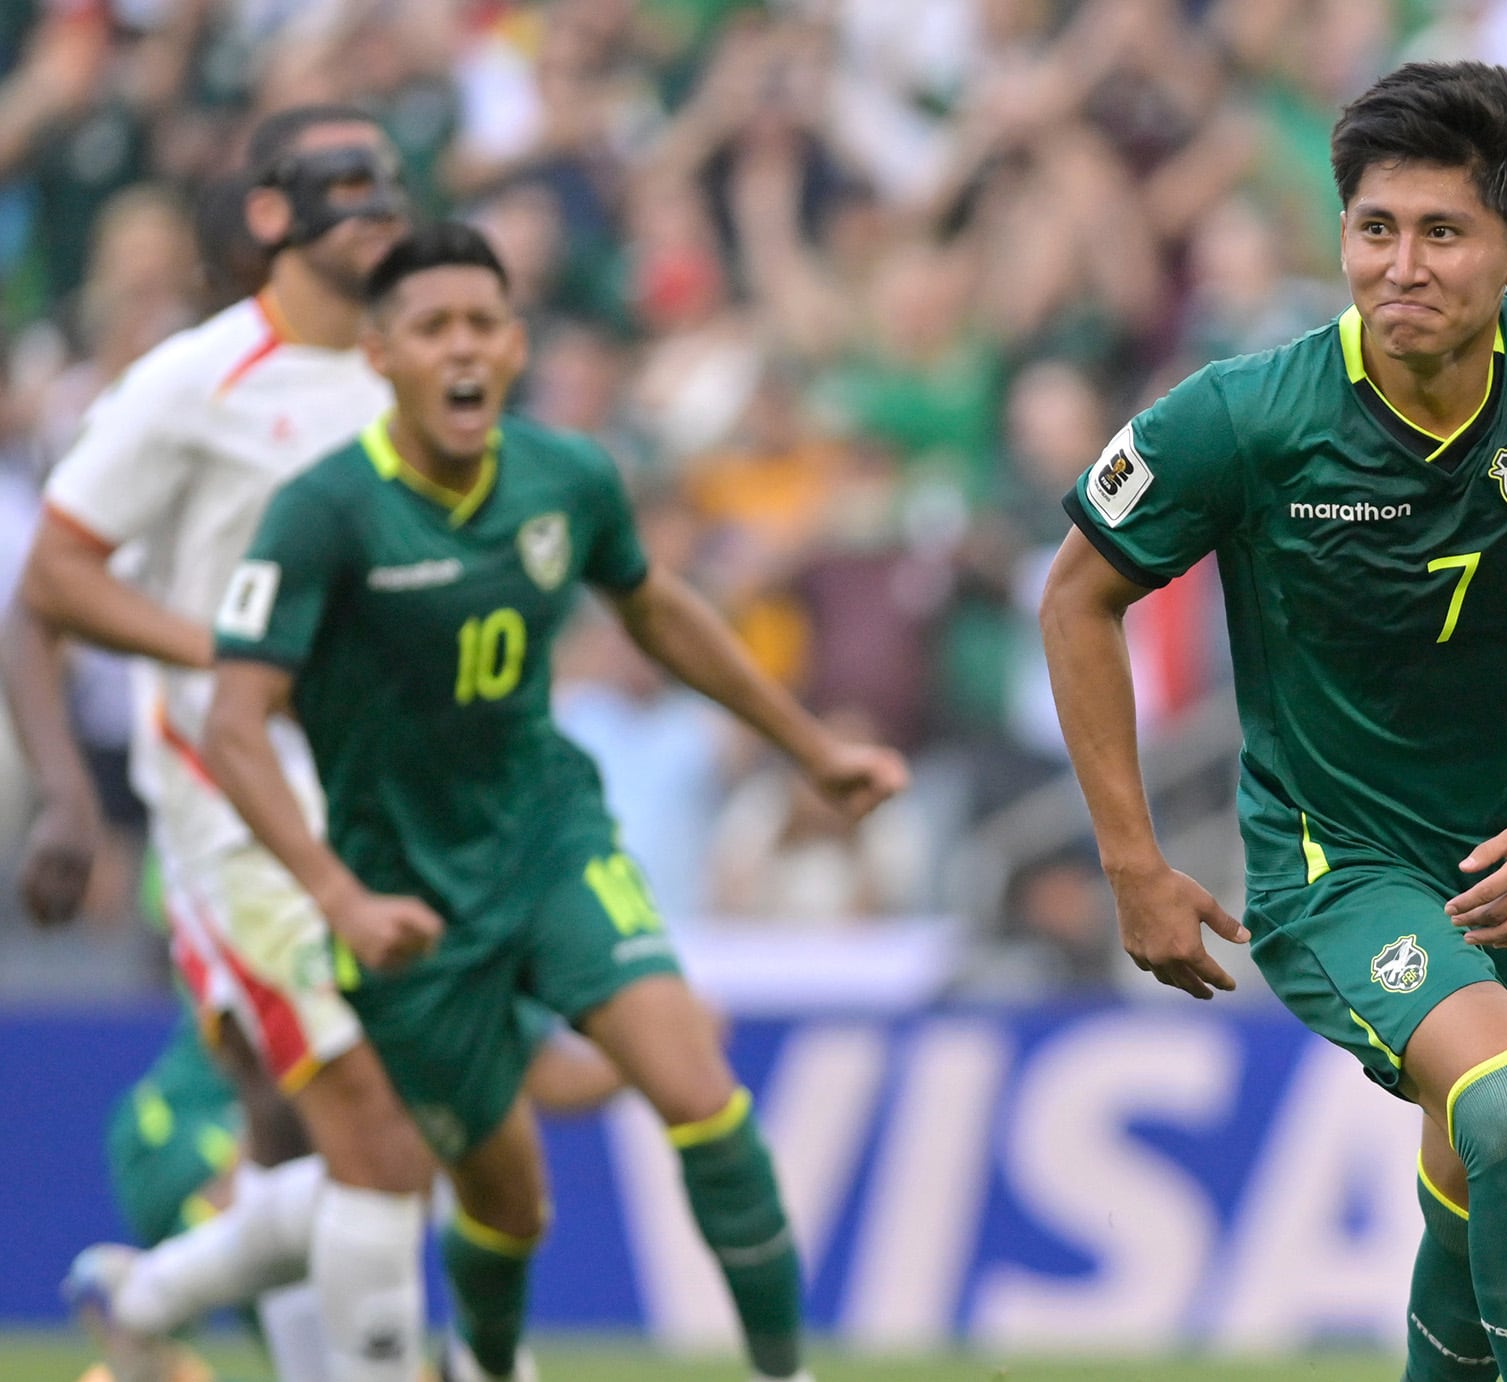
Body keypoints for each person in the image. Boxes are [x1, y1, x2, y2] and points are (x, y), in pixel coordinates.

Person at [1039, 62, 1507, 1382]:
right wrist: (1132, 859)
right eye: (1376, 228)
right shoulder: (1248, 416)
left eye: (1443, 231)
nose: (1401, 264)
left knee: (1483, 1169)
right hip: (1338, 860)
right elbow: (1077, 597)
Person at [203, 221, 908, 1382]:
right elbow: (234, 723)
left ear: (515, 344)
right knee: (509, 1201)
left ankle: (790, 1373)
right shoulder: (322, 511)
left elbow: (655, 607)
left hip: (548, 835)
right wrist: (339, 896)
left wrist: (808, 745)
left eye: (482, 322)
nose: (461, 347)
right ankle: (485, 1365)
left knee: (701, 1092)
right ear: (379, 353)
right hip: (405, 895)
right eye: (432, 327)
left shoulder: (564, 476)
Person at [0, 105, 464, 1382]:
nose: (383, 200)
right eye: (348, 180)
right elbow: (45, 588)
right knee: (364, 1125)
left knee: (329, 1130)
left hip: (382, 794)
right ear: (272, 214)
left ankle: (146, 1303)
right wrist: (69, 799)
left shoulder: (415, 369)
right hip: (229, 798)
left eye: (393, 177)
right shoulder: (194, 381)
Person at [85, 1003, 624, 1382]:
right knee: (350, 1166)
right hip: (185, 1125)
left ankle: (145, 1302)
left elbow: (548, 1075)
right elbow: (553, 1079)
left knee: (385, 1181)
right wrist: (652, 1046)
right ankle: (148, 1298)